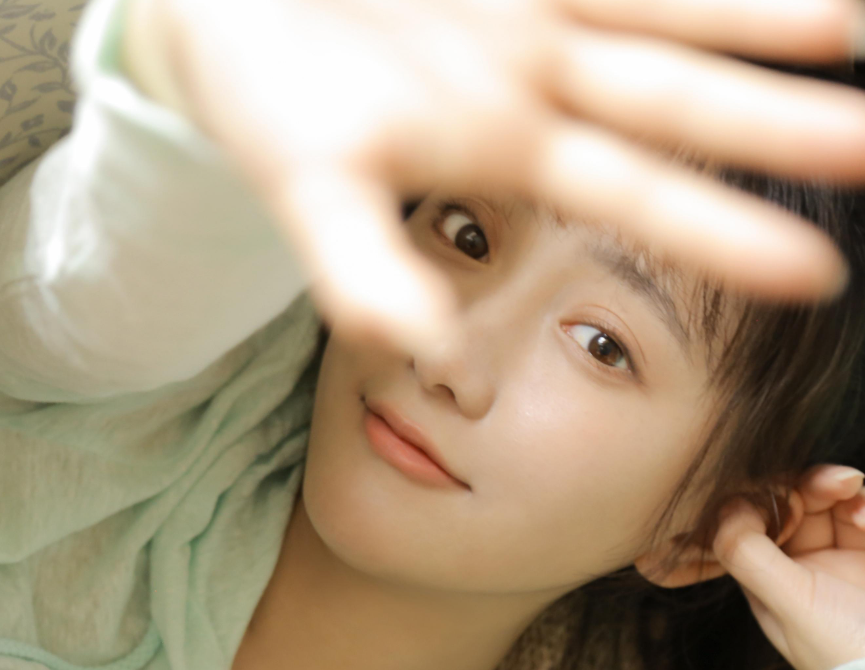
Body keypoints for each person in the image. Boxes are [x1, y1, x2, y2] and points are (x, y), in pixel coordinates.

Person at [0, 1, 864, 670]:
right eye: (468, 234)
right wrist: (199, 90)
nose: (446, 351)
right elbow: (99, 285)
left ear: (703, 531)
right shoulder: (179, 358)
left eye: (602, 346)